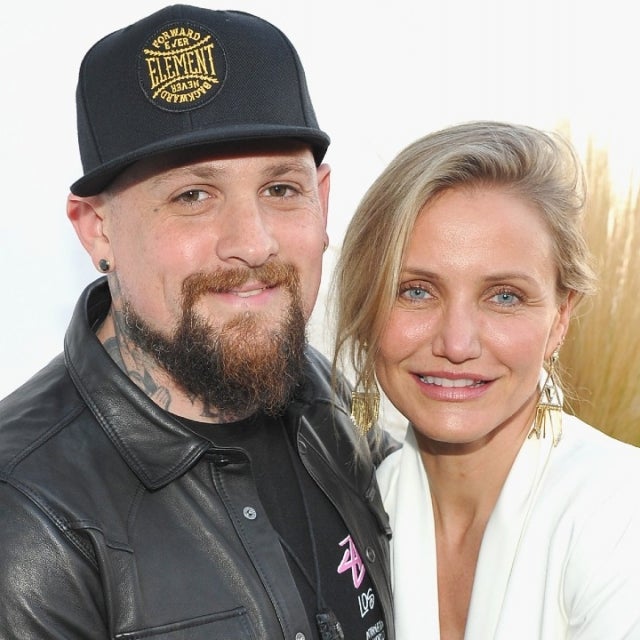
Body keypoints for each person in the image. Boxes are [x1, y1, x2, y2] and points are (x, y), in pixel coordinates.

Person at [0, 6, 396, 639]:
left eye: (281, 189)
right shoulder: (25, 517)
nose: (253, 243)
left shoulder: (326, 395)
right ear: (98, 229)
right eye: (192, 196)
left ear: (322, 201)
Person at [331, 120, 640, 639]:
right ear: (366, 306)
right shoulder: (354, 515)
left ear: (561, 318)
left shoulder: (620, 514)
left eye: (504, 296)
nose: (457, 344)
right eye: (416, 291)